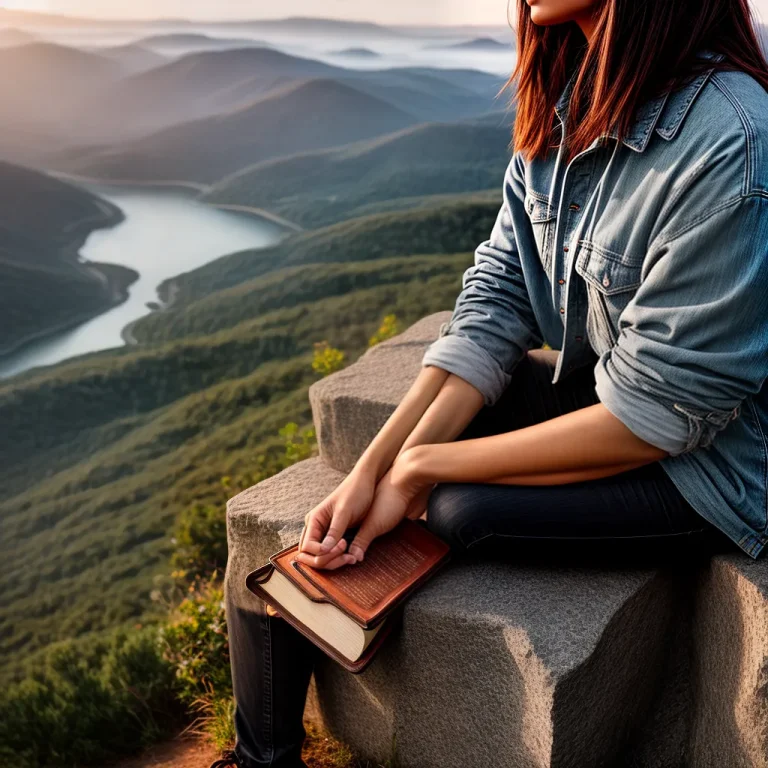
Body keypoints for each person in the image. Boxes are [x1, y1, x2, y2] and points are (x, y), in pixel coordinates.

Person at [212, 0, 768, 766]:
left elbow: (661, 416)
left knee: (459, 505)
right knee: (343, 497)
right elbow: (496, 304)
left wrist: (420, 468)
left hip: (719, 464)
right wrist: (373, 469)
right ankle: (258, 757)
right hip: (616, 389)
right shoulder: (574, 97)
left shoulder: (732, 141)